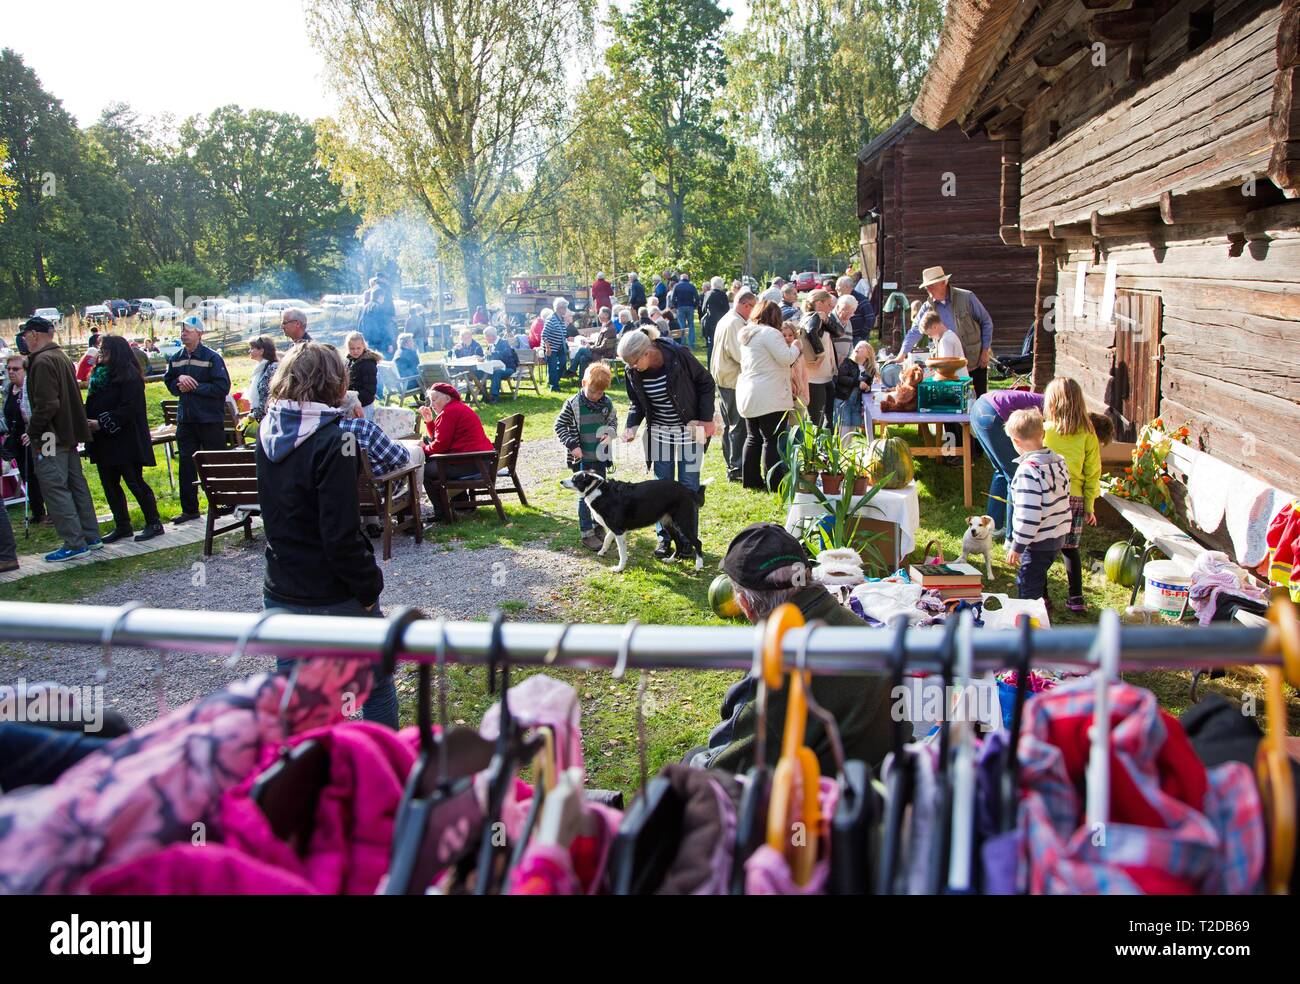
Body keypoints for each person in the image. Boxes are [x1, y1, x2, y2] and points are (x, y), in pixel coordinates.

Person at [256, 343, 395, 729]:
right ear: (334, 381)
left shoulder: (266, 430)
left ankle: (317, 777)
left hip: (281, 587)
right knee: (376, 684)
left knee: (302, 699)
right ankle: (384, 774)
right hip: (333, 590)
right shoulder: (336, 440)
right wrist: (368, 589)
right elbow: (340, 534)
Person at [691, 523, 894, 775]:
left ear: (744, 603)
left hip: (837, 801)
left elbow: (722, 769)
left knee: (691, 763)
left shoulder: (777, 673)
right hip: (887, 779)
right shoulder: (853, 625)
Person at [616, 328, 716, 561]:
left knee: (688, 484)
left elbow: (706, 383)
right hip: (660, 433)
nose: (631, 368)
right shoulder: (633, 371)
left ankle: (687, 540)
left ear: (647, 353)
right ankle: (665, 538)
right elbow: (636, 404)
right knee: (661, 487)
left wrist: (707, 419)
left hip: (690, 429)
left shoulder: (678, 355)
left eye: (633, 362)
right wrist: (631, 425)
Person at [18, 317, 103, 562]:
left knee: (54, 486)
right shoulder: (60, 356)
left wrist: (34, 432)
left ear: (34, 334)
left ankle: (74, 543)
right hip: (67, 432)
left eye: (25, 334)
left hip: (49, 435)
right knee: (76, 484)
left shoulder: (42, 360)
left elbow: (47, 405)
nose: (23, 339)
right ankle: (90, 535)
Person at [1042, 378, 1114, 613]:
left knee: (1041, 547)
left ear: (1052, 403)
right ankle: (1076, 599)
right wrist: (1090, 506)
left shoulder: (1046, 430)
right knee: (1070, 548)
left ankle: (1042, 599)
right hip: (1075, 499)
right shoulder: (1088, 434)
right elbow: (1093, 473)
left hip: (1047, 497)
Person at [84, 335, 163, 544]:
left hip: (126, 439)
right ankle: (122, 525)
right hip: (103, 441)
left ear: (116, 352)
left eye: (106, 351)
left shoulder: (129, 376)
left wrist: (102, 422)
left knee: (134, 482)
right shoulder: (99, 376)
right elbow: (92, 401)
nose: (102, 354)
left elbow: (130, 409)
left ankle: (153, 522)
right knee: (109, 484)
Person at [164, 313, 231, 525]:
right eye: (181, 330)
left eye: (187, 330)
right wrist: (178, 382)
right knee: (186, 464)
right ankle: (190, 509)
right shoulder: (175, 358)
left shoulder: (212, 358)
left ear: (199, 334)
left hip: (209, 418)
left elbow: (222, 387)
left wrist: (195, 387)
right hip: (186, 420)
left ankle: (226, 503)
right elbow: (170, 382)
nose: (183, 334)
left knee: (216, 461)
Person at [1005, 408, 1073, 604]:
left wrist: (1018, 545)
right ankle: (1044, 604)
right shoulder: (1059, 462)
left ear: (1016, 441)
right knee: (1039, 572)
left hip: (1037, 541)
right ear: (1042, 434)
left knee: (1027, 585)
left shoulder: (1027, 472)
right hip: (1057, 534)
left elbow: (1030, 515)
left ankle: (1030, 623)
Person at [897, 266, 994, 398]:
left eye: (931, 286)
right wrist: (901, 355)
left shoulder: (967, 298)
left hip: (974, 360)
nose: (928, 290)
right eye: (927, 287)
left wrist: (985, 350)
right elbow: (915, 330)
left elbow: (986, 322)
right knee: (951, 403)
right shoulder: (928, 306)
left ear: (943, 283)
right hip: (948, 367)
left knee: (980, 401)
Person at [554, 361, 618, 551]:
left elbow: (613, 421)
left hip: (599, 458)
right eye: (592, 392)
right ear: (584, 383)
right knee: (585, 496)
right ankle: (586, 533)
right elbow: (559, 426)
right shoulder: (573, 405)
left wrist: (610, 433)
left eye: (600, 393)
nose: (596, 396)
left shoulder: (606, 403)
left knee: (600, 492)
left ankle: (598, 524)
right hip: (582, 459)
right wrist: (573, 445)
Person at [736, 299, 797, 491]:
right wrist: (796, 346)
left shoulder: (748, 334)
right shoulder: (770, 333)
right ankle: (774, 482)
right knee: (772, 439)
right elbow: (786, 358)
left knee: (753, 437)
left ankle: (751, 481)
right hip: (769, 393)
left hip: (749, 392)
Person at [419, 382, 495, 521]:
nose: (431, 404)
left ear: (447, 398)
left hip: (472, 463)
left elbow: (440, 447)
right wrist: (430, 421)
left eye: (434, 399)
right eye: (430, 400)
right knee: (434, 462)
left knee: (424, 471)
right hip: (480, 461)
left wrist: (422, 448)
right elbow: (441, 440)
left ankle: (442, 513)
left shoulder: (449, 413)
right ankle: (462, 505)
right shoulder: (456, 408)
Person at [709, 288, 755, 483]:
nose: (754, 313)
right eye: (752, 308)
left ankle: (732, 463)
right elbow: (740, 354)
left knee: (730, 425)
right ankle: (736, 467)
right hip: (732, 379)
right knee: (738, 425)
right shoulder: (735, 322)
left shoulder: (728, 318)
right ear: (745, 305)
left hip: (723, 378)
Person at [3, 354, 44, 525]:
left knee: (40, 474)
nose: (11, 372)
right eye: (9, 369)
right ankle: (38, 511)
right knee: (27, 475)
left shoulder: (30, 388)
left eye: (16, 369)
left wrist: (32, 433)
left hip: (35, 437)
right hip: (17, 439)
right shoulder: (8, 390)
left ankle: (52, 511)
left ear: (25, 370)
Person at [337, 390, 416, 477]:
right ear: (357, 411)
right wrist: (398, 443)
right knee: (417, 453)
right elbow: (402, 458)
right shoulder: (365, 427)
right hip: (382, 485)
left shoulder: (333, 427)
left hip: (345, 486)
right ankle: (417, 490)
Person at [800, 289, 841, 428]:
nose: (832, 307)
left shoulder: (819, 317)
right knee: (817, 421)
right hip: (815, 378)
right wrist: (820, 352)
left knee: (827, 419)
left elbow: (839, 332)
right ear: (819, 302)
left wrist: (828, 320)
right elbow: (811, 332)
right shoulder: (813, 317)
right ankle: (816, 449)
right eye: (829, 304)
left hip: (825, 377)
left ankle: (824, 448)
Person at [834, 340, 877, 436]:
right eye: (857, 346)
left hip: (856, 403)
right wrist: (858, 383)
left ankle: (847, 450)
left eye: (861, 347)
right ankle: (841, 450)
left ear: (868, 354)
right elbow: (841, 378)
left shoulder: (870, 369)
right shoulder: (847, 362)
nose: (857, 348)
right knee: (843, 431)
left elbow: (867, 386)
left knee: (851, 431)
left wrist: (867, 388)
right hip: (843, 401)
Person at [344, 331, 380, 421]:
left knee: (363, 431)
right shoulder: (349, 361)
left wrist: (354, 401)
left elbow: (370, 391)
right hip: (351, 404)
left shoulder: (368, 364)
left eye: (358, 348)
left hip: (364, 406)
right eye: (352, 348)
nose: (355, 351)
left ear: (364, 346)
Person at [481, 326, 518, 403]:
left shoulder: (504, 343)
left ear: (491, 336)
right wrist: (483, 358)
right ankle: (484, 395)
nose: (486, 339)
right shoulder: (490, 345)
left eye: (486, 337)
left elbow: (505, 355)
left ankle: (494, 397)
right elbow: (489, 357)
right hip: (494, 368)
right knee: (481, 371)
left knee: (497, 372)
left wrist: (492, 353)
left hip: (508, 368)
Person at [247, 336, 279, 424]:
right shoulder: (259, 368)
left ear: (261, 350)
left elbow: (268, 393)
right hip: (259, 416)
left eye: (252, 348)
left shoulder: (273, 367)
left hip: (269, 417)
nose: (249, 351)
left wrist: (258, 413)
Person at [699, 276, 729, 368]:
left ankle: (710, 366)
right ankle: (719, 365)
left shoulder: (708, 294)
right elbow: (726, 309)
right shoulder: (723, 295)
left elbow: (703, 309)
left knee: (711, 346)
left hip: (710, 322)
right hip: (721, 322)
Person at [781, 321, 810, 417]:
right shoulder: (779, 354)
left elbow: (804, 375)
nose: (787, 338)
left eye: (790, 335)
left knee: (798, 425)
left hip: (799, 395)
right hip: (785, 395)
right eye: (784, 335)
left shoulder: (799, 353)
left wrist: (806, 394)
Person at [541, 299, 570, 393]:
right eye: (565, 308)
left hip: (560, 347)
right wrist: (548, 348)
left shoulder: (560, 318)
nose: (566, 310)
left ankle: (553, 380)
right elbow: (544, 335)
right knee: (552, 366)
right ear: (560, 308)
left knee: (563, 363)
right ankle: (554, 387)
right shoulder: (551, 319)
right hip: (551, 347)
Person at [836, 274, 875, 343]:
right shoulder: (840, 299)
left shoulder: (861, 300)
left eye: (838, 286)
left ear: (847, 287)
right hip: (843, 337)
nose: (836, 288)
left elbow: (870, 318)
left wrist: (862, 334)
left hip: (857, 338)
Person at [669, 273, 699, 348]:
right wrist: (694, 305)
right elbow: (697, 298)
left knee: (681, 325)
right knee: (691, 325)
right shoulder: (692, 286)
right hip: (690, 306)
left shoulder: (677, 286)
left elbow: (672, 298)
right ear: (687, 279)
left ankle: (682, 342)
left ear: (680, 278)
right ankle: (691, 343)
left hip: (680, 307)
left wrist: (675, 306)